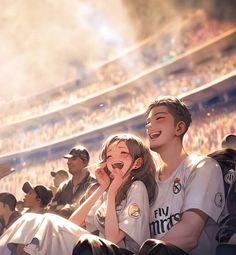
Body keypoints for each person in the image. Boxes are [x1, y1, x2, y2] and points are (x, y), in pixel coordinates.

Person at [73, 96, 225, 255]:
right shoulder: (145, 182)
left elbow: (188, 235)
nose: (150, 125)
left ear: (179, 128)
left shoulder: (202, 167)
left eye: (159, 118)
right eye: (148, 122)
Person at [0, 133, 156, 254]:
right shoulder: (107, 190)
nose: (114, 159)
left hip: (119, 252)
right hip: (95, 247)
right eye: (109, 156)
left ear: (137, 163)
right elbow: (74, 222)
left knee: (46, 222)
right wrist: (102, 188)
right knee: (30, 219)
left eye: (122, 153)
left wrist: (111, 192)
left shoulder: (137, 187)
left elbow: (113, 239)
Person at [49, 145, 96, 217]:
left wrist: (64, 208)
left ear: (85, 161)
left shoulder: (94, 184)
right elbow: (52, 209)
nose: (68, 162)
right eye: (68, 159)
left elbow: (89, 208)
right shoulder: (63, 186)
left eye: (73, 159)